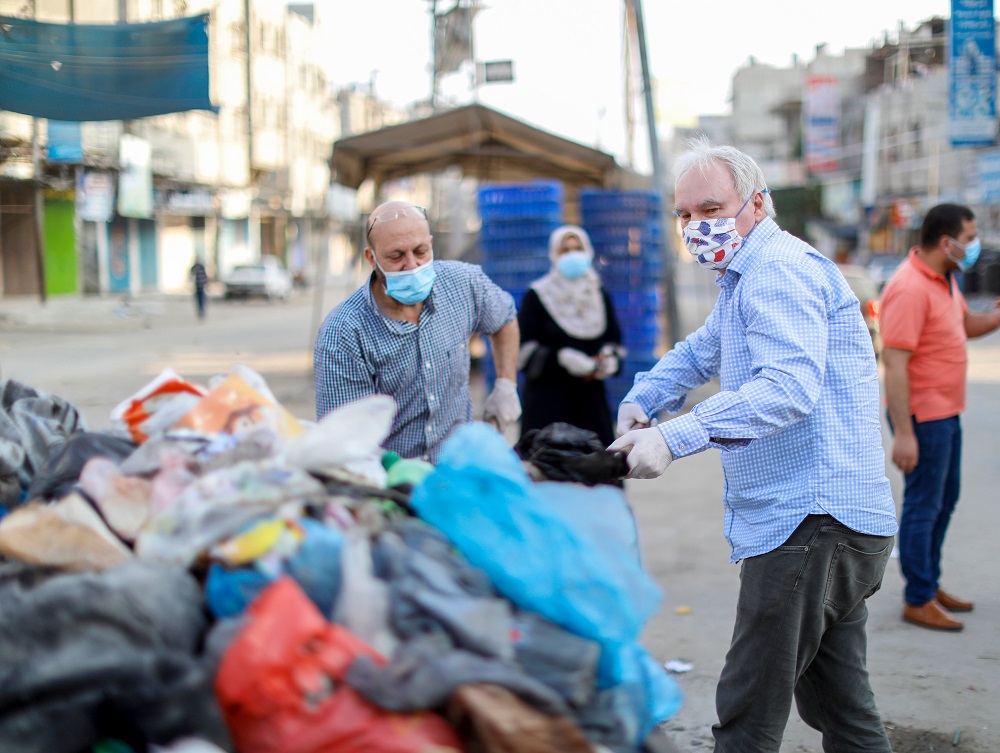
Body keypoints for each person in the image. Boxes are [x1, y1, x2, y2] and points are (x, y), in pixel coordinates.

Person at [608, 140, 898, 752]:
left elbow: (788, 389)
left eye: (710, 208)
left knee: (748, 715)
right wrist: (646, 397)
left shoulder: (777, 271)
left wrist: (674, 436)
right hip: (837, 524)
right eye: (684, 215)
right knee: (843, 710)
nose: (696, 227)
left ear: (756, 203)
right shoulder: (745, 277)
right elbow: (700, 350)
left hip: (812, 521)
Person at [313, 200, 521, 463]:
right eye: (396, 256)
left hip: (458, 467)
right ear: (372, 258)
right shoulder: (343, 333)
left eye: (420, 251)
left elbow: (505, 317)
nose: (412, 265)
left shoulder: (464, 284)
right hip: (390, 483)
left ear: (431, 244)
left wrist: (506, 384)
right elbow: (344, 440)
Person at [879, 203, 1000, 631]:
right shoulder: (909, 288)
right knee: (924, 505)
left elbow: (964, 326)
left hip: (947, 412)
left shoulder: (946, 279)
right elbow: (894, 364)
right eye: (969, 238)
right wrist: (905, 434)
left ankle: (928, 584)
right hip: (923, 417)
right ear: (946, 242)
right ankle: (917, 597)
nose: (974, 246)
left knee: (943, 502)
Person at [517, 225, 624, 446]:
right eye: (565, 250)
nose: (572, 255)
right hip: (548, 405)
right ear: (554, 254)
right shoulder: (538, 295)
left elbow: (615, 340)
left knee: (595, 471)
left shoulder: (598, 293)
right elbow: (522, 353)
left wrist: (610, 358)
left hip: (590, 402)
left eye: (578, 248)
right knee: (548, 472)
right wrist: (560, 358)